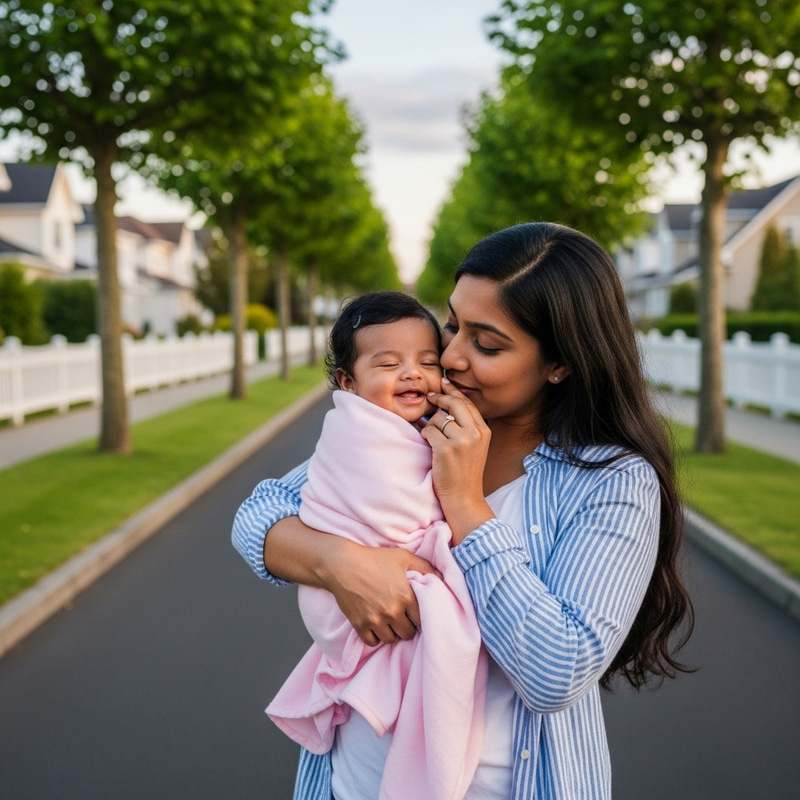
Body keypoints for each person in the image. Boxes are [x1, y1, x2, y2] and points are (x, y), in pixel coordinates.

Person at [233, 223, 694, 800]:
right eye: (453, 323)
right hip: (348, 783)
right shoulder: (412, 427)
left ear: (561, 364)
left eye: (487, 343)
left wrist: (465, 504)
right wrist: (338, 563)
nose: (449, 356)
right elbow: (258, 514)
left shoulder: (611, 481)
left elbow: (556, 672)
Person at [265, 291, 487, 800]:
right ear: (349, 383)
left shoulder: (426, 429)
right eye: (389, 364)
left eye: (426, 363)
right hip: (354, 602)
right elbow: (384, 504)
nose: (413, 374)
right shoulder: (358, 432)